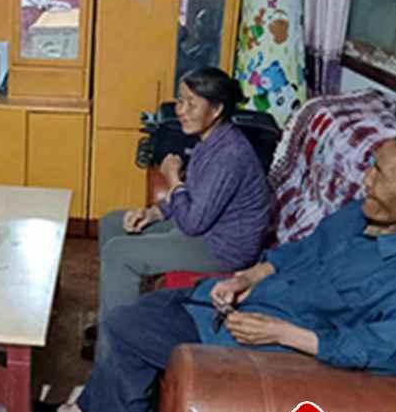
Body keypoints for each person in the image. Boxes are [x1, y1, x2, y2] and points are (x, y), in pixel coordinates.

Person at [35, 126, 396, 412]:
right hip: (251, 299)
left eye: (380, 174)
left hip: (272, 339)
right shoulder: (363, 214)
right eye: (373, 166)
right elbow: (301, 251)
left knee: (127, 327)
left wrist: (282, 333)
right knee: (153, 308)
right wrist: (248, 276)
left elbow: (386, 353)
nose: (367, 181)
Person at [91, 67, 272, 360]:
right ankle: (111, 318)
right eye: (180, 100)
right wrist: (154, 213)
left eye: (191, 104)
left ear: (216, 110)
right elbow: (193, 200)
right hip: (205, 229)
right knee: (113, 223)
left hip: (222, 248)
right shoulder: (210, 140)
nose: (181, 111)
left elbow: (192, 221)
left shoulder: (229, 155)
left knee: (119, 254)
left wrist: (172, 177)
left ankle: (114, 353)